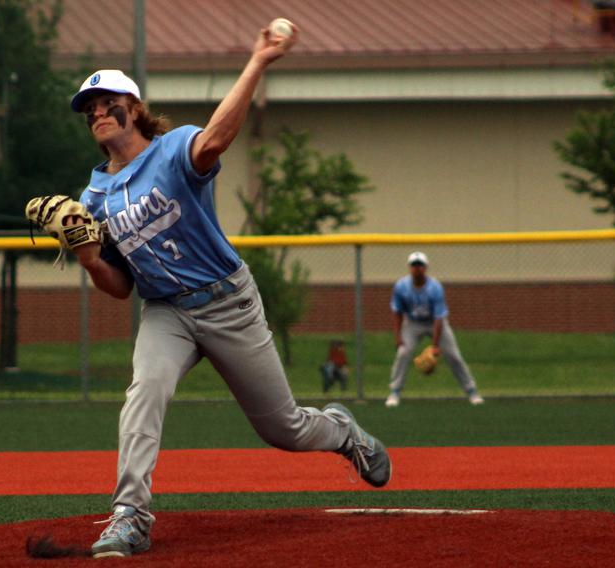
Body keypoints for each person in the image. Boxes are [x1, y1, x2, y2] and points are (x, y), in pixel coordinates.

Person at [64, 24, 391, 559]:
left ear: (134, 106)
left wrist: (259, 60)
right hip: (165, 312)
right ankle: (130, 515)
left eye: (107, 102)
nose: (97, 112)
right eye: (90, 108)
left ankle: (341, 432)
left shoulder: (172, 151)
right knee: (144, 392)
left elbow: (216, 138)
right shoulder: (93, 195)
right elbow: (119, 288)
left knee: (282, 429)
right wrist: (89, 257)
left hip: (227, 302)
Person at [387, 251, 484, 408]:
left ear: (426, 268)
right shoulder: (401, 286)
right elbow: (397, 312)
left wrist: (435, 346)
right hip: (412, 323)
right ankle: (395, 392)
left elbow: (439, 318)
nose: (417, 268)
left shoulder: (434, 287)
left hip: (435, 322)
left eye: (420, 265)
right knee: (403, 352)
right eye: (414, 265)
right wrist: (398, 336)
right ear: (409, 268)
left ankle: (471, 391)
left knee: (453, 355)